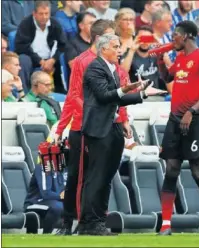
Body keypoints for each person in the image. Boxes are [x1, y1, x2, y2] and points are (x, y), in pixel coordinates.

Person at [53, 19, 127, 235]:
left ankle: (95, 221)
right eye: (111, 38)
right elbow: (73, 96)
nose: (116, 43)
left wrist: (123, 119)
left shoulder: (116, 67)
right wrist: (61, 128)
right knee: (78, 176)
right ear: (98, 40)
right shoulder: (82, 62)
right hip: (84, 127)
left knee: (103, 176)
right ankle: (68, 222)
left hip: (109, 127)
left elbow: (120, 95)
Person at [79, 33, 153, 235]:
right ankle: (88, 223)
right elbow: (104, 96)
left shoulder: (111, 69)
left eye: (120, 46)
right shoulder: (95, 67)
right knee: (96, 177)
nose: (120, 51)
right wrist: (125, 90)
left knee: (107, 177)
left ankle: (99, 221)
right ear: (103, 49)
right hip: (98, 129)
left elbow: (117, 100)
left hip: (113, 127)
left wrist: (142, 94)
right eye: (116, 47)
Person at [158, 20, 199, 236]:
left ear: (186, 35)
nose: (172, 38)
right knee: (171, 170)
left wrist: (192, 111)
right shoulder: (180, 58)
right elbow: (168, 77)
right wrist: (160, 60)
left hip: (197, 120)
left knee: (197, 171)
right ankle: (166, 225)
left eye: (175, 35)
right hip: (175, 120)